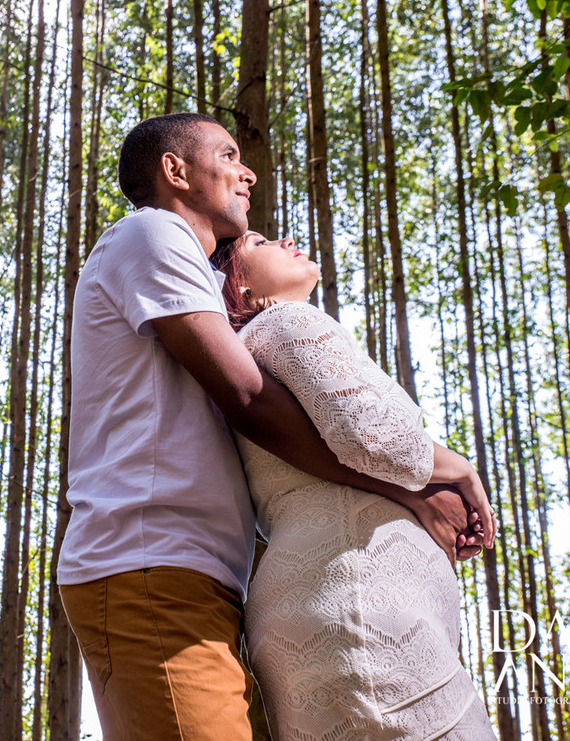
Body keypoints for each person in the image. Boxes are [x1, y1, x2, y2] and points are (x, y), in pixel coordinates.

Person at [55, 112, 492, 741]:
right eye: (228, 155)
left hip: (203, 575)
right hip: (148, 562)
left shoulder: (207, 283)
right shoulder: (149, 233)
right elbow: (247, 399)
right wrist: (423, 479)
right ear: (174, 171)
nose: (248, 171)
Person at [210, 230, 498, 740]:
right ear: (242, 289)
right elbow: (369, 433)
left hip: (338, 609)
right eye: (260, 243)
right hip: (363, 610)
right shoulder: (286, 321)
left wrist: (415, 495)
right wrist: (460, 469)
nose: (288, 239)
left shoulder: (256, 350)